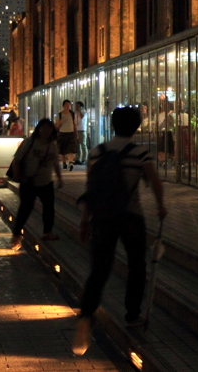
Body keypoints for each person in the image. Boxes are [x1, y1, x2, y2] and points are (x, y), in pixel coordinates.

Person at [72, 106, 167, 355]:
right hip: (130, 216)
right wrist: (161, 207)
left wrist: (85, 220)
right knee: (137, 264)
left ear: (112, 124)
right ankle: (132, 314)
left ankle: (85, 316)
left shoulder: (97, 152)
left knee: (99, 269)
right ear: (136, 126)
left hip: (101, 217)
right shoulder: (139, 152)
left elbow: (90, 188)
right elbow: (154, 182)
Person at [8, 118, 63, 250]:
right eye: (43, 128)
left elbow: (55, 162)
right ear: (39, 129)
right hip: (29, 181)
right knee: (25, 209)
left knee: (49, 207)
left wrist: (60, 178)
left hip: (46, 181)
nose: (46, 131)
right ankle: (16, 235)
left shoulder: (52, 145)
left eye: (49, 129)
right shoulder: (29, 142)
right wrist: (17, 175)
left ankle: (47, 232)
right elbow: (17, 160)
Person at [54, 100, 79, 171]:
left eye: (69, 105)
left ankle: (71, 163)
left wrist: (76, 132)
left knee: (70, 149)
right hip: (62, 133)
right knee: (62, 150)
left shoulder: (72, 113)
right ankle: (64, 163)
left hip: (70, 132)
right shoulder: (59, 115)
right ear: (63, 106)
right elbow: (56, 126)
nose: (68, 106)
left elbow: (74, 124)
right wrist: (60, 122)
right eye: (66, 105)